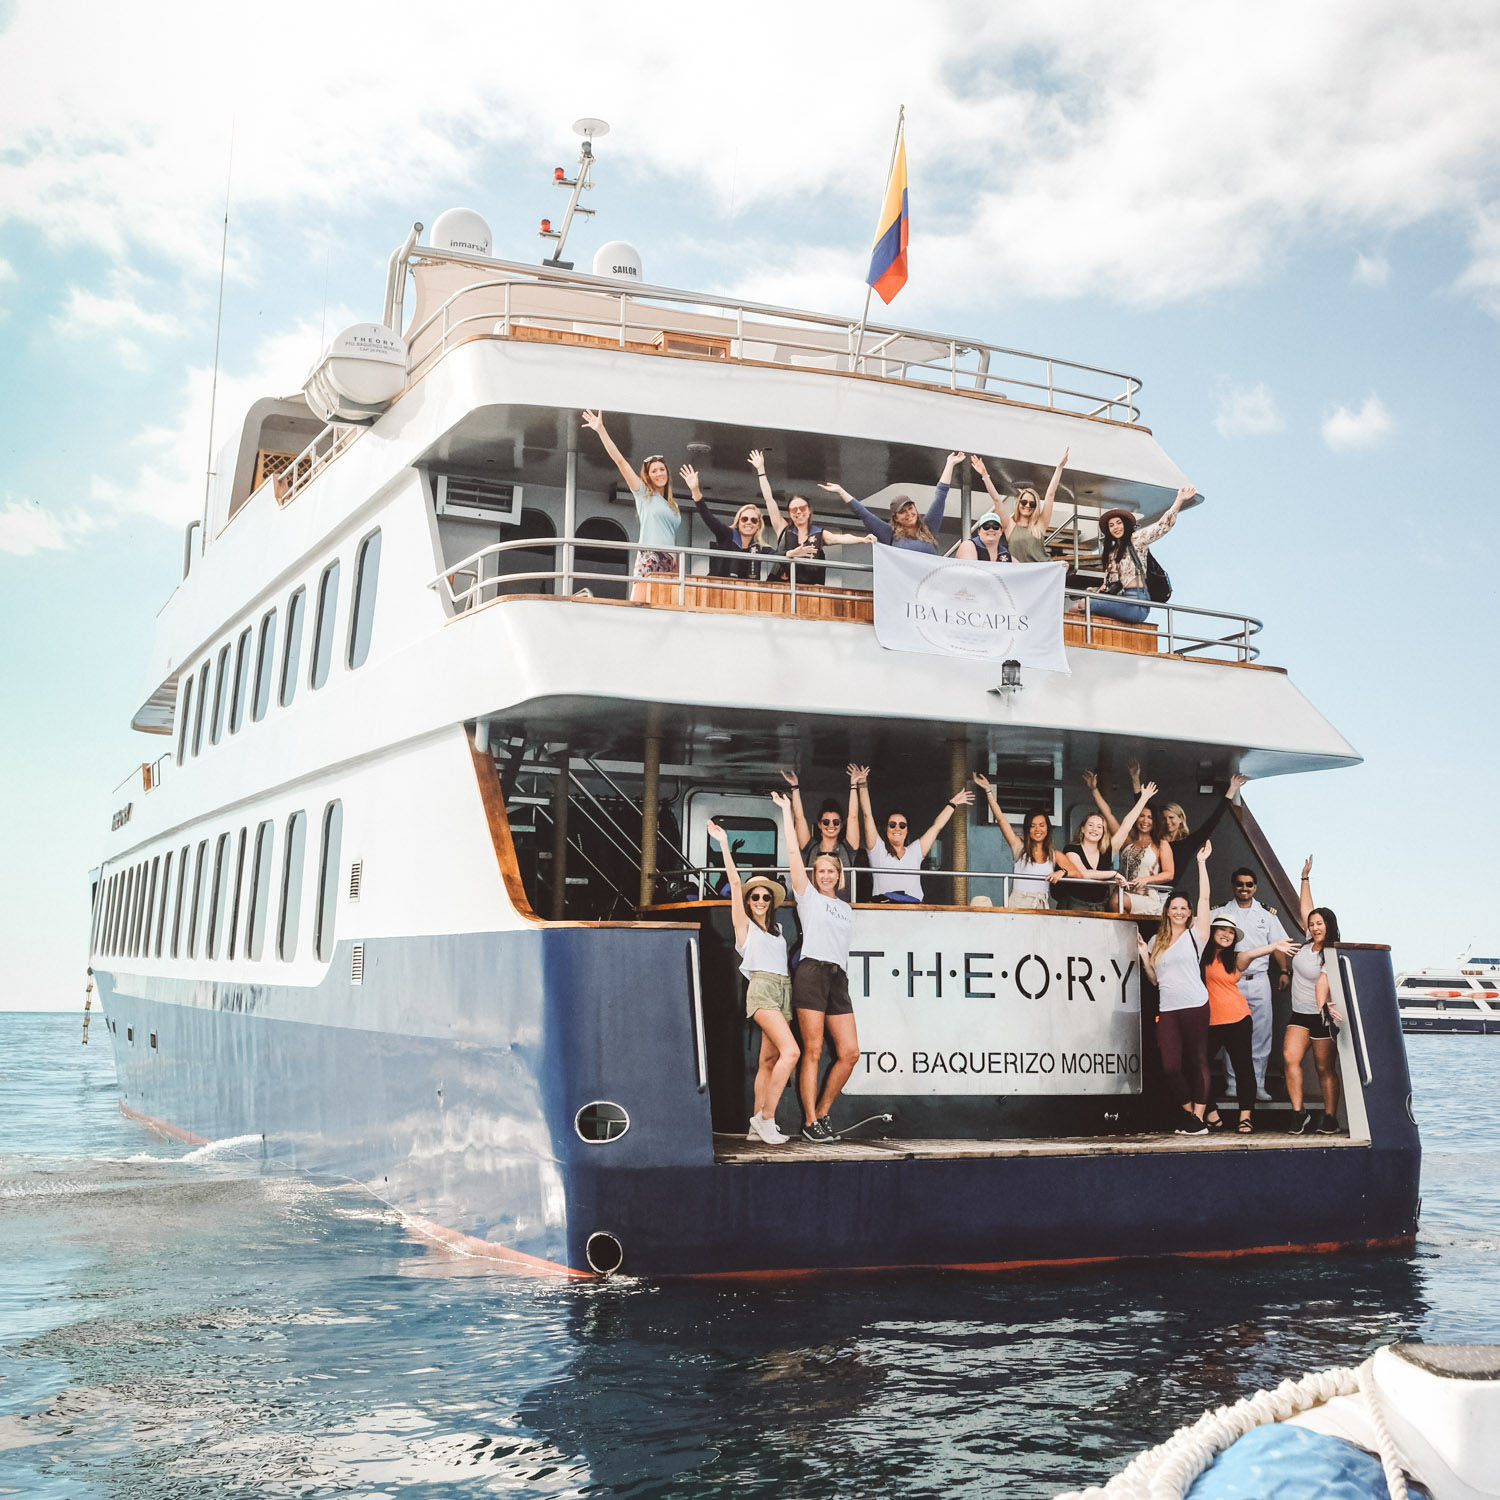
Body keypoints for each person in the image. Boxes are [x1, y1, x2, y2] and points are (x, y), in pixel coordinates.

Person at [707, 820, 799, 1146]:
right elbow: (734, 883)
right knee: (792, 1052)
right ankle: (765, 1118)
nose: (759, 900)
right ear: (748, 902)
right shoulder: (744, 929)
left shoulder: (777, 931)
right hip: (761, 990)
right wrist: (724, 844)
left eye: (764, 897)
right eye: (755, 897)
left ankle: (754, 1125)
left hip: (782, 990)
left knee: (768, 1061)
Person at [772, 790, 856, 1143]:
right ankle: (809, 1121)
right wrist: (788, 812)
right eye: (819, 871)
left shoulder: (847, 908)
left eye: (829, 871)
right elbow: (794, 852)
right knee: (814, 1050)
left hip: (837, 978)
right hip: (811, 973)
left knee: (850, 1053)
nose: (824, 875)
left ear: (839, 875)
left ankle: (823, 1111)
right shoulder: (807, 898)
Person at [1137, 841, 1215, 1134]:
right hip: (1168, 1009)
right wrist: (1145, 957)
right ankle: (1191, 1117)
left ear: (1189, 912)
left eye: (1184, 908)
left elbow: (1206, 898)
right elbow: (1155, 981)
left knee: (1197, 1061)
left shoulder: (1197, 935)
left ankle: (1198, 1115)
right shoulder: (1157, 941)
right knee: (1170, 1066)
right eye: (1175, 907)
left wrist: (1201, 864)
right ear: (1167, 911)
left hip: (1195, 1004)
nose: (1180, 911)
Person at [1202, 916, 1297, 1133]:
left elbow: (1253, 953)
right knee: (1198, 1067)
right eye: (1222, 930)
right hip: (1210, 1022)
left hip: (1237, 1019)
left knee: (1244, 1069)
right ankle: (1211, 1112)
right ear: (1213, 932)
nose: (1226, 935)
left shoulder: (1237, 958)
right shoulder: (1200, 955)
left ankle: (1245, 1117)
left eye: (1231, 932)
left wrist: (1275, 946)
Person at [581, 410, 681, 600]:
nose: (659, 473)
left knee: (665, 607)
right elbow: (620, 461)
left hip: (670, 560)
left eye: (662, 469)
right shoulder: (644, 494)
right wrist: (601, 430)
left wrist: (675, 565)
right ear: (648, 475)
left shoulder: (673, 504)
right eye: (654, 471)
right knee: (641, 603)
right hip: (650, 556)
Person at [1212, 866, 1292, 1103]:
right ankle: (1233, 1084)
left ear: (1255, 887)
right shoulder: (1221, 912)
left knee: (1261, 1034)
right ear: (1233, 886)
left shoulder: (1266, 915)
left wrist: (1285, 970)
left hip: (1258, 981)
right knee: (1230, 1034)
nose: (1244, 888)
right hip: (1229, 983)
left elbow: (1278, 945)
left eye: (1249, 884)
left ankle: (1258, 1085)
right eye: (1239, 884)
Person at [1073, 485, 1195, 624]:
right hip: (1119, 599)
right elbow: (1112, 584)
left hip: (1136, 602)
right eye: (1111, 525)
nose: (1116, 527)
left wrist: (1179, 500)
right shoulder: (1111, 554)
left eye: (1118, 523)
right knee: (1076, 607)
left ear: (1125, 524)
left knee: (1084, 606)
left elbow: (1161, 527)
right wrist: (1098, 589)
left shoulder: (1136, 540)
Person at [1284, 856, 1344, 1135]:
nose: (1315, 927)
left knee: (1324, 1069)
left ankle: (1330, 1118)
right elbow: (1306, 909)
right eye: (1312, 924)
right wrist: (1304, 878)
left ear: (1329, 925)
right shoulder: (1308, 943)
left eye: (1320, 924)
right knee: (1290, 1058)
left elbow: (1325, 982)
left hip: (1321, 1017)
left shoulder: (1332, 953)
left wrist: (1325, 1007)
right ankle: (1299, 1113)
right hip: (1299, 1014)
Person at [749, 450, 870, 586]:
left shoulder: (819, 534)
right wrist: (761, 470)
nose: (798, 512)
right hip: (781, 588)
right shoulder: (783, 528)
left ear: (809, 511)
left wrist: (862, 539)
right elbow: (769, 499)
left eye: (802, 508)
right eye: (794, 509)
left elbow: (841, 538)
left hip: (809, 591)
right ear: (789, 513)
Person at [818, 450, 967, 554]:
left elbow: (940, 496)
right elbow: (863, 513)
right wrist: (840, 491)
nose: (908, 513)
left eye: (910, 508)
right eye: (902, 512)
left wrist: (950, 463)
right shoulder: (889, 534)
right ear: (895, 517)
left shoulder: (929, 528)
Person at [856, 773, 973, 903]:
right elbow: (867, 815)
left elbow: (936, 827)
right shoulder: (877, 850)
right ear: (886, 829)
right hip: (885, 908)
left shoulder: (915, 851)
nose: (897, 829)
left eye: (902, 825)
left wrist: (953, 804)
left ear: (907, 830)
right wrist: (862, 785)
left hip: (914, 909)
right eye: (892, 825)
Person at [1082, 770, 1174, 915]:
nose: (1145, 820)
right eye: (1141, 816)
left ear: (1155, 821)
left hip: (1146, 897)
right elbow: (1108, 814)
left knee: (1117, 901)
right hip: (1122, 894)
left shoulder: (1161, 844)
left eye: (1149, 817)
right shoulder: (1127, 840)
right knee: (1114, 901)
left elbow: (1169, 874)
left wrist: (1148, 879)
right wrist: (1094, 790)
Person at [971, 774, 1062, 910]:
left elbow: (1078, 873)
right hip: (1018, 904)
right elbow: (1002, 820)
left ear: (1048, 828)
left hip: (1042, 905)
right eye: (1032, 825)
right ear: (1028, 829)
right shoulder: (1019, 847)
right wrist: (988, 791)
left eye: (1042, 825)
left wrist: (1062, 872)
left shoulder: (1054, 854)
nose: (1038, 829)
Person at [970, 449, 1068, 564]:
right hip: (1019, 571)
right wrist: (984, 475)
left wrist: (1059, 467)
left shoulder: (1040, 524)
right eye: (1024, 502)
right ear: (1019, 503)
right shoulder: (1009, 525)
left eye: (1032, 504)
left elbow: (1050, 495)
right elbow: (997, 499)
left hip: (1040, 571)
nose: (1027, 506)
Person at [679, 464, 775, 580]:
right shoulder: (727, 535)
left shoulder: (761, 548)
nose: (748, 522)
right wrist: (695, 491)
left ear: (758, 526)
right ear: (738, 521)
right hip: (717, 591)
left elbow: (780, 557)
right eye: (744, 519)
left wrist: (793, 553)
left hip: (746, 596)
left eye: (753, 520)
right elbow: (709, 518)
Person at [779, 764, 860, 897]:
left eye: (836, 822)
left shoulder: (848, 847)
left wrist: (853, 786)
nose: (831, 826)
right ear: (819, 825)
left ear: (841, 825)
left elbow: (853, 817)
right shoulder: (810, 847)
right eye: (826, 822)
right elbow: (799, 818)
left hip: (840, 907)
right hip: (813, 907)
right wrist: (795, 787)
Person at [1158, 771, 1248, 867]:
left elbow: (1213, 821)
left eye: (1171, 817)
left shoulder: (1189, 843)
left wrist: (1232, 789)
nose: (1167, 822)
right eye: (1164, 818)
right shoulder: (1153, 842)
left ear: (1181, 819)